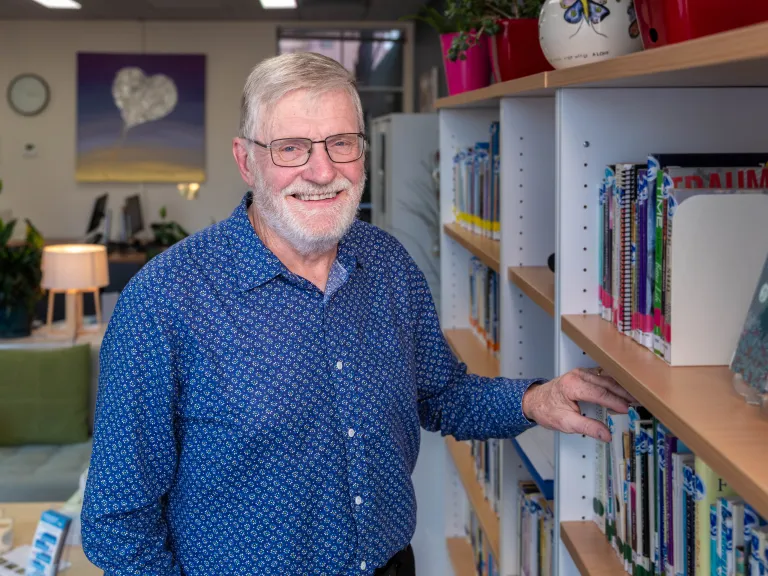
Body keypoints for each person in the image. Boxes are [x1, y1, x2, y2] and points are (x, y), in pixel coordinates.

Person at [81, 52, 634, 576]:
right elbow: (117, 521)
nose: (323, 171)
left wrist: (535, 399)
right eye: (292, 147)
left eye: (341, 143)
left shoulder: (388, 264)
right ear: (246, 159)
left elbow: (440, 395)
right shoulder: (165, 300)